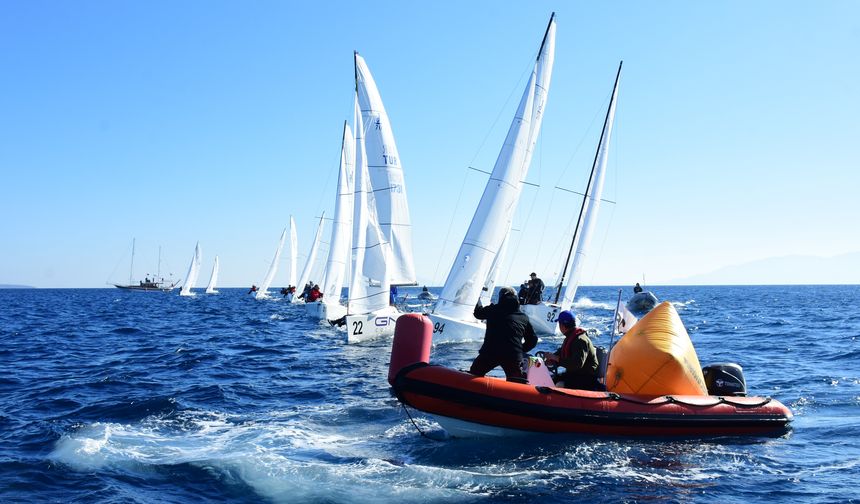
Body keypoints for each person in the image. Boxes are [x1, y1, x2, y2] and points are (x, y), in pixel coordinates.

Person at [469, 286, 538, 383]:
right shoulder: (523, 317)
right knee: (518, 383)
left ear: (500, 297)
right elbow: (533, 340)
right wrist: (520, 349)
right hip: (513, 355)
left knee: (474, 374)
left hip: (490, 352)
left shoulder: (493, 310)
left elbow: (478, 313)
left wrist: (477, 297)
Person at [542, 310, 600, 390]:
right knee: (551, 380)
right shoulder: (570, 337)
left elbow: (577, 364)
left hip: (586, 378)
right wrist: (551, 360)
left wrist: (556, 358)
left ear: (563, 325)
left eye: (559, 324)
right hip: (575, 375)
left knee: (558, 384)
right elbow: (560, 354)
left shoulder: (580, 340)